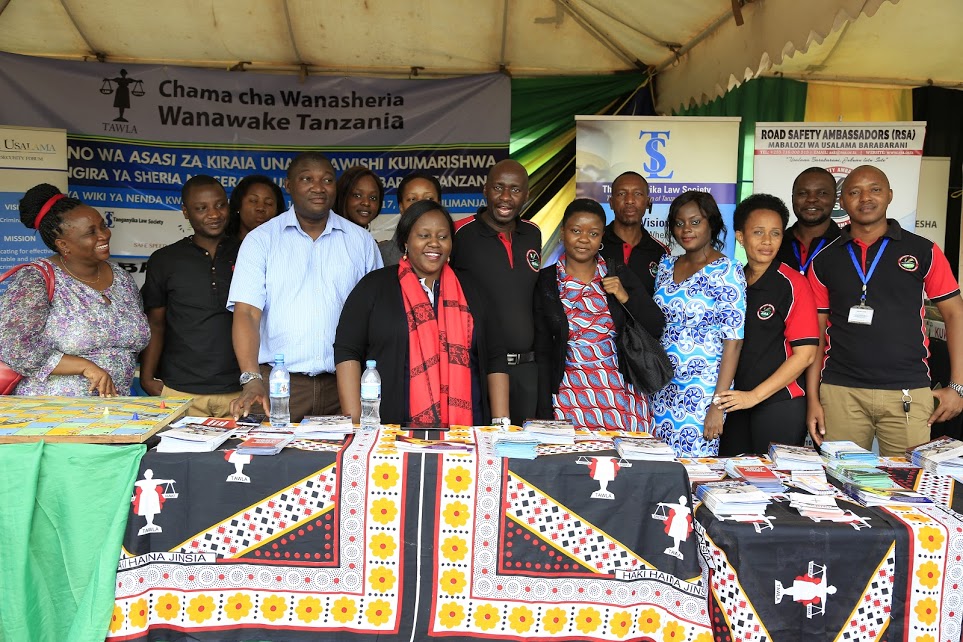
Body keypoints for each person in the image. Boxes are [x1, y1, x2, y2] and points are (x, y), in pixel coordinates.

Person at [806, 165, 963, 456]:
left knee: (907, 489)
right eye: (854, 192)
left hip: (908, 392)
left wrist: (958, 386)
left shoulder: (923, 251)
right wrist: (813, 399)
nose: (865, 197)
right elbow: (815, 333)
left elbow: (955, 314)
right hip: (841, 391)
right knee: (840, 484)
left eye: (875, 189)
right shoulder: (824, 261)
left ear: (890, 195)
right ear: (842, 202)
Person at [228, 152, 383, 422]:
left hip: (344, 387)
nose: (318, 187)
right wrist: (251, 378)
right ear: (288, 185)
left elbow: (379, 314)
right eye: (307, 179)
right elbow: (247, 313)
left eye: (326, 180)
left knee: (346, 462)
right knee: (270, 463)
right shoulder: (260, 240)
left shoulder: (361, 243)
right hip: (279, 387)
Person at [334, 200, 509, 426]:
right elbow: (347, 349)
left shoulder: (472, 290)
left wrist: (501, 425)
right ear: (406, 241)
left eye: (443, 237)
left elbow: (495, 358)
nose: (434, 243)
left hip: (466, 432)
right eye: (424, 236)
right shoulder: (374, 287)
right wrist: (355, 423)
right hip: (390, 432)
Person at [0, 184, 149, 396]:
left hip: (114, 409)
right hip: (53, 414)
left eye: (103, 226)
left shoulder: (122, 279)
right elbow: (14, 347)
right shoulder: (36, 279)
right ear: (64, 245)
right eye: (91, 232)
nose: (104, 235)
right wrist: (85, 366)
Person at [533, 198, 663, 431]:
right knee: (577, 464)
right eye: (576, 231)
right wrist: (544, 408)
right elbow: (543, 350)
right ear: (563, 232)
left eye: (593, 233)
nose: (584, 239)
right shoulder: (546, 281)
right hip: (569, 397)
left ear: (602, 236)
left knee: (626, 466)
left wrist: (624, 296)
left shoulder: (618, 274)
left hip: (622, 397)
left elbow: (656, 326)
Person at [716, 194, 818, 455]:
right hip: (735, 402)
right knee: (732, 481)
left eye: (775, 233)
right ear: (740, 236)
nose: (767, 242)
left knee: (774, 486)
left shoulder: (793, 283)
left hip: (778, 403)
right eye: (758, 232)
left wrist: (754, 396)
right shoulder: (730, 280)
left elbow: (805, 355)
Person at [650, 191, 746, 456]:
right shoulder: (666, 265)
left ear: (711, 223)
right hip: (661, 385)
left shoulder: (727, 270)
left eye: (695, 222)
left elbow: (734, 342)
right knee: (658, 464)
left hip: (701, 391)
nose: (686, 230)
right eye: (679, 223)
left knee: (694, 471)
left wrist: (717, 405)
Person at [140, 175, 241, 418]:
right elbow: (156, 323)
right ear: (186, 212)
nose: (214, 214)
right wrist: (146, 377)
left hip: (240, 391)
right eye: (201, 208)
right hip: (180, 391)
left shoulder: (249, 252)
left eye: (220, 205)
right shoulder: (165, 260)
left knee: (241, 457)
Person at [450, 159, 541, 425]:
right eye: (498, 187)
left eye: (514, 190)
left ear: (527, 195)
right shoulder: (459, 234)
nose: (505, 197)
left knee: (525, 454)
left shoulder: (533, 233)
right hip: (479, 368)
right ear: (485, 190)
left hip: (526, 369)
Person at [600, 171, 668, 294]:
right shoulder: (594, 244)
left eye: (637, 194)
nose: (630, 200)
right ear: (611, 203)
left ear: (648, 202)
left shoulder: (661, 252)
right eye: (621, 194)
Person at [776, 167, 841, 274]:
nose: (811, 199)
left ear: (835, 199)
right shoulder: (777, 243)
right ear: (793, 198)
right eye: (803, 193)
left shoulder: (847, 245)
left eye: (822, 193)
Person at [381, 171, 443, 266]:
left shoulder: (454, 249)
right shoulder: (382, 253)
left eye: (429, 199)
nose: (420, 205)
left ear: (439, 204)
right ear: (401, 207)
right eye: (412, 199)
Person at [226, 175, 285, 241]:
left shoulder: (284, 247)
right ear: (238, 204)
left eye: (268, 203)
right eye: (253, 201)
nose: (261, 208)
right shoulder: (223, 247)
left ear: (277, 210)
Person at [334, 165, 384, 230]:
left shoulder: (367, 239)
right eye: (357, 195)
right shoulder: (327, 237)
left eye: (373, 198)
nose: (366, 203)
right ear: (343, 197)